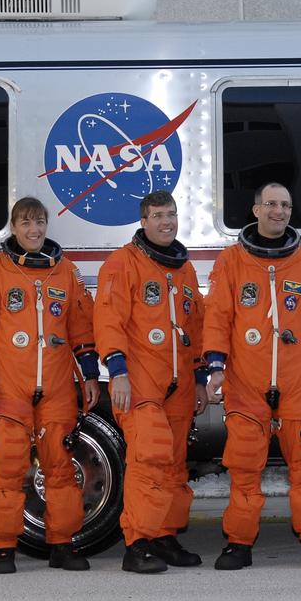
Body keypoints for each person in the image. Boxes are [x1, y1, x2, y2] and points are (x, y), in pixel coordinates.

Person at [203, 183, 301, 570]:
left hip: (298, 382)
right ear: (256, 210)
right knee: (245, 467)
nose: (278, 211)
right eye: (271, 204)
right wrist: (216, 367)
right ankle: (239, 543)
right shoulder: (231, 261)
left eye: (285, 205)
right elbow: (217, 317)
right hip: (247, 383)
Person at [0, 197, 100, 574]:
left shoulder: (66, 273)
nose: (34, 230)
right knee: (8, 466)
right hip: (8, 385)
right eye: (26, 224)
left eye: (40, 222)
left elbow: (82, 329)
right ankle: (4, 548)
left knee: (60, 467)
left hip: (56, 387)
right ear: (13, 227)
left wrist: (90, 375)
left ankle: (63, 545)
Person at [94, 191, 209, 573]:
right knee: (148, 458)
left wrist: (201, 377)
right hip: (140, 379)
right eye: (158, 215)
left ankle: (164, 537)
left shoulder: (184, 269)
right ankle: (137, 543)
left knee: (175, 464)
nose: (167, 222)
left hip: (179, 383)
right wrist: (118, 372)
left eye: (172, 214)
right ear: (143, 221)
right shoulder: (122, 264)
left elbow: (195, 326)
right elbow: (108, 320)